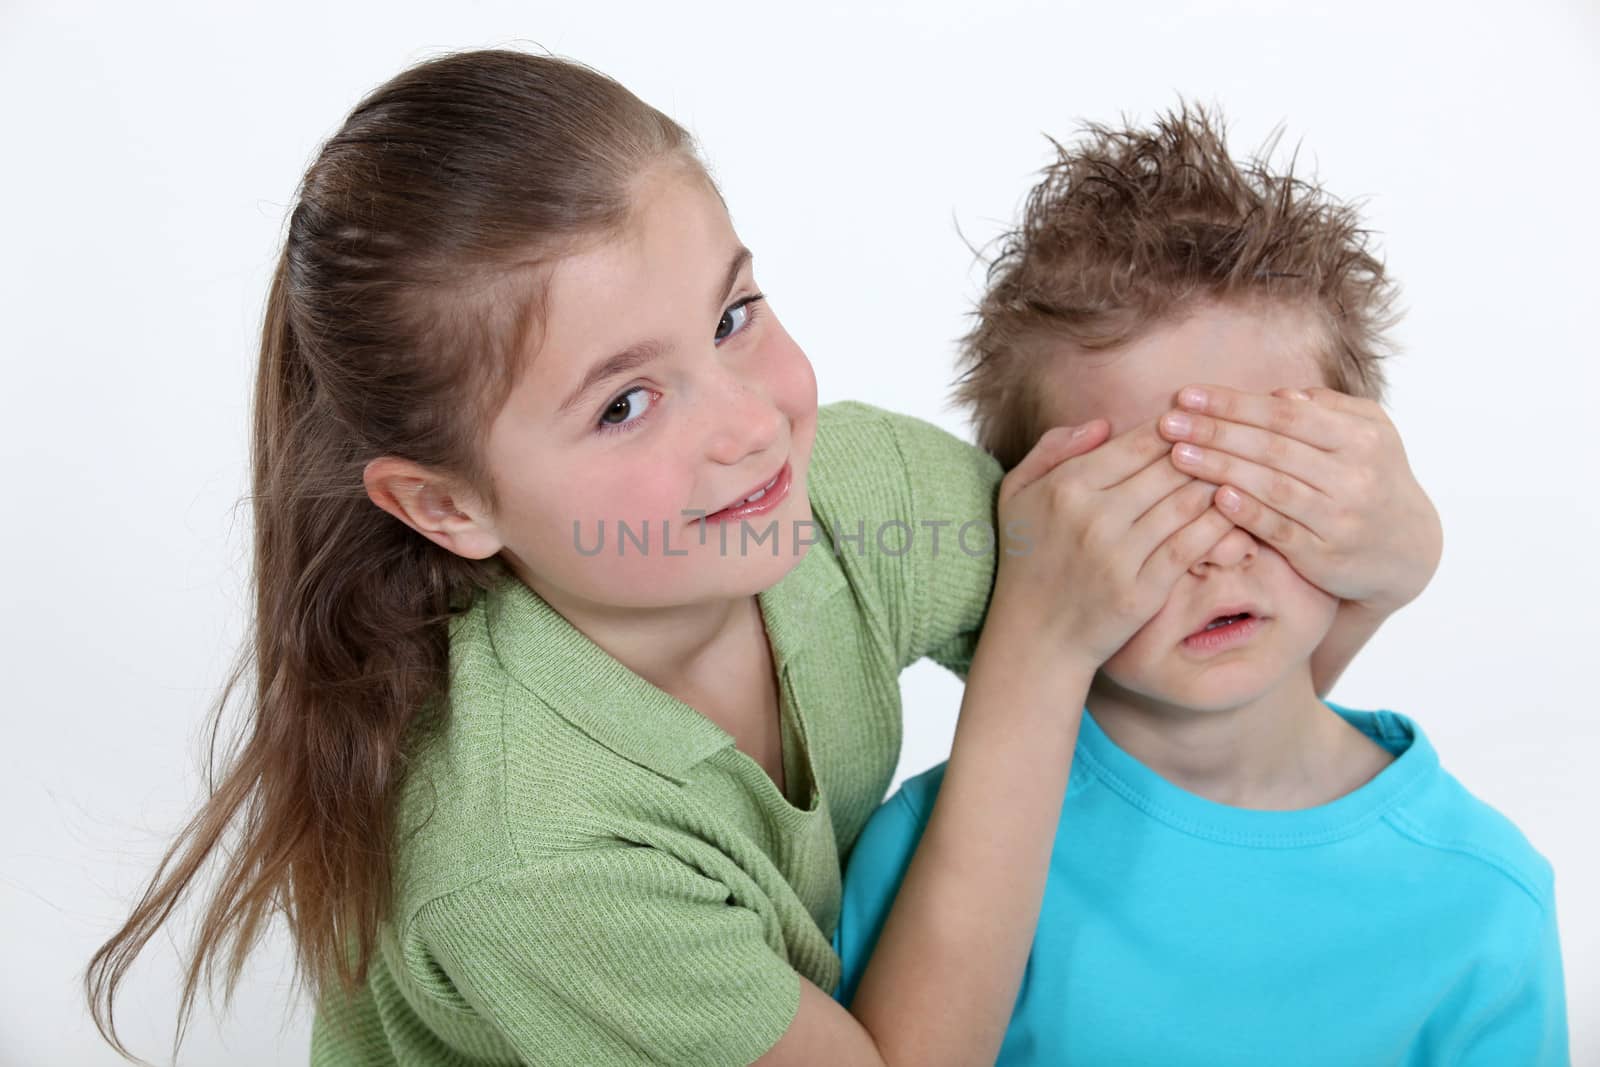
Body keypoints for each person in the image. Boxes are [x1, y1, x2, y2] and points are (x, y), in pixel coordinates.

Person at [82, 53, 1437, 1066]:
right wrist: (1034, 649)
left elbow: (1196, 711)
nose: (746, 423)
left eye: (734, 313)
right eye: (625, 401)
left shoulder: (847, 494)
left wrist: (1390, 559)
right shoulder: (531, 858)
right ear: (447, 505)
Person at [832, 105, 1568, 1065]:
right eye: (1150, 503)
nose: (1218, 552)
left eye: (1264, 481)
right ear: (1045, 536)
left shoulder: (1484, 902)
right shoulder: (921, 859)